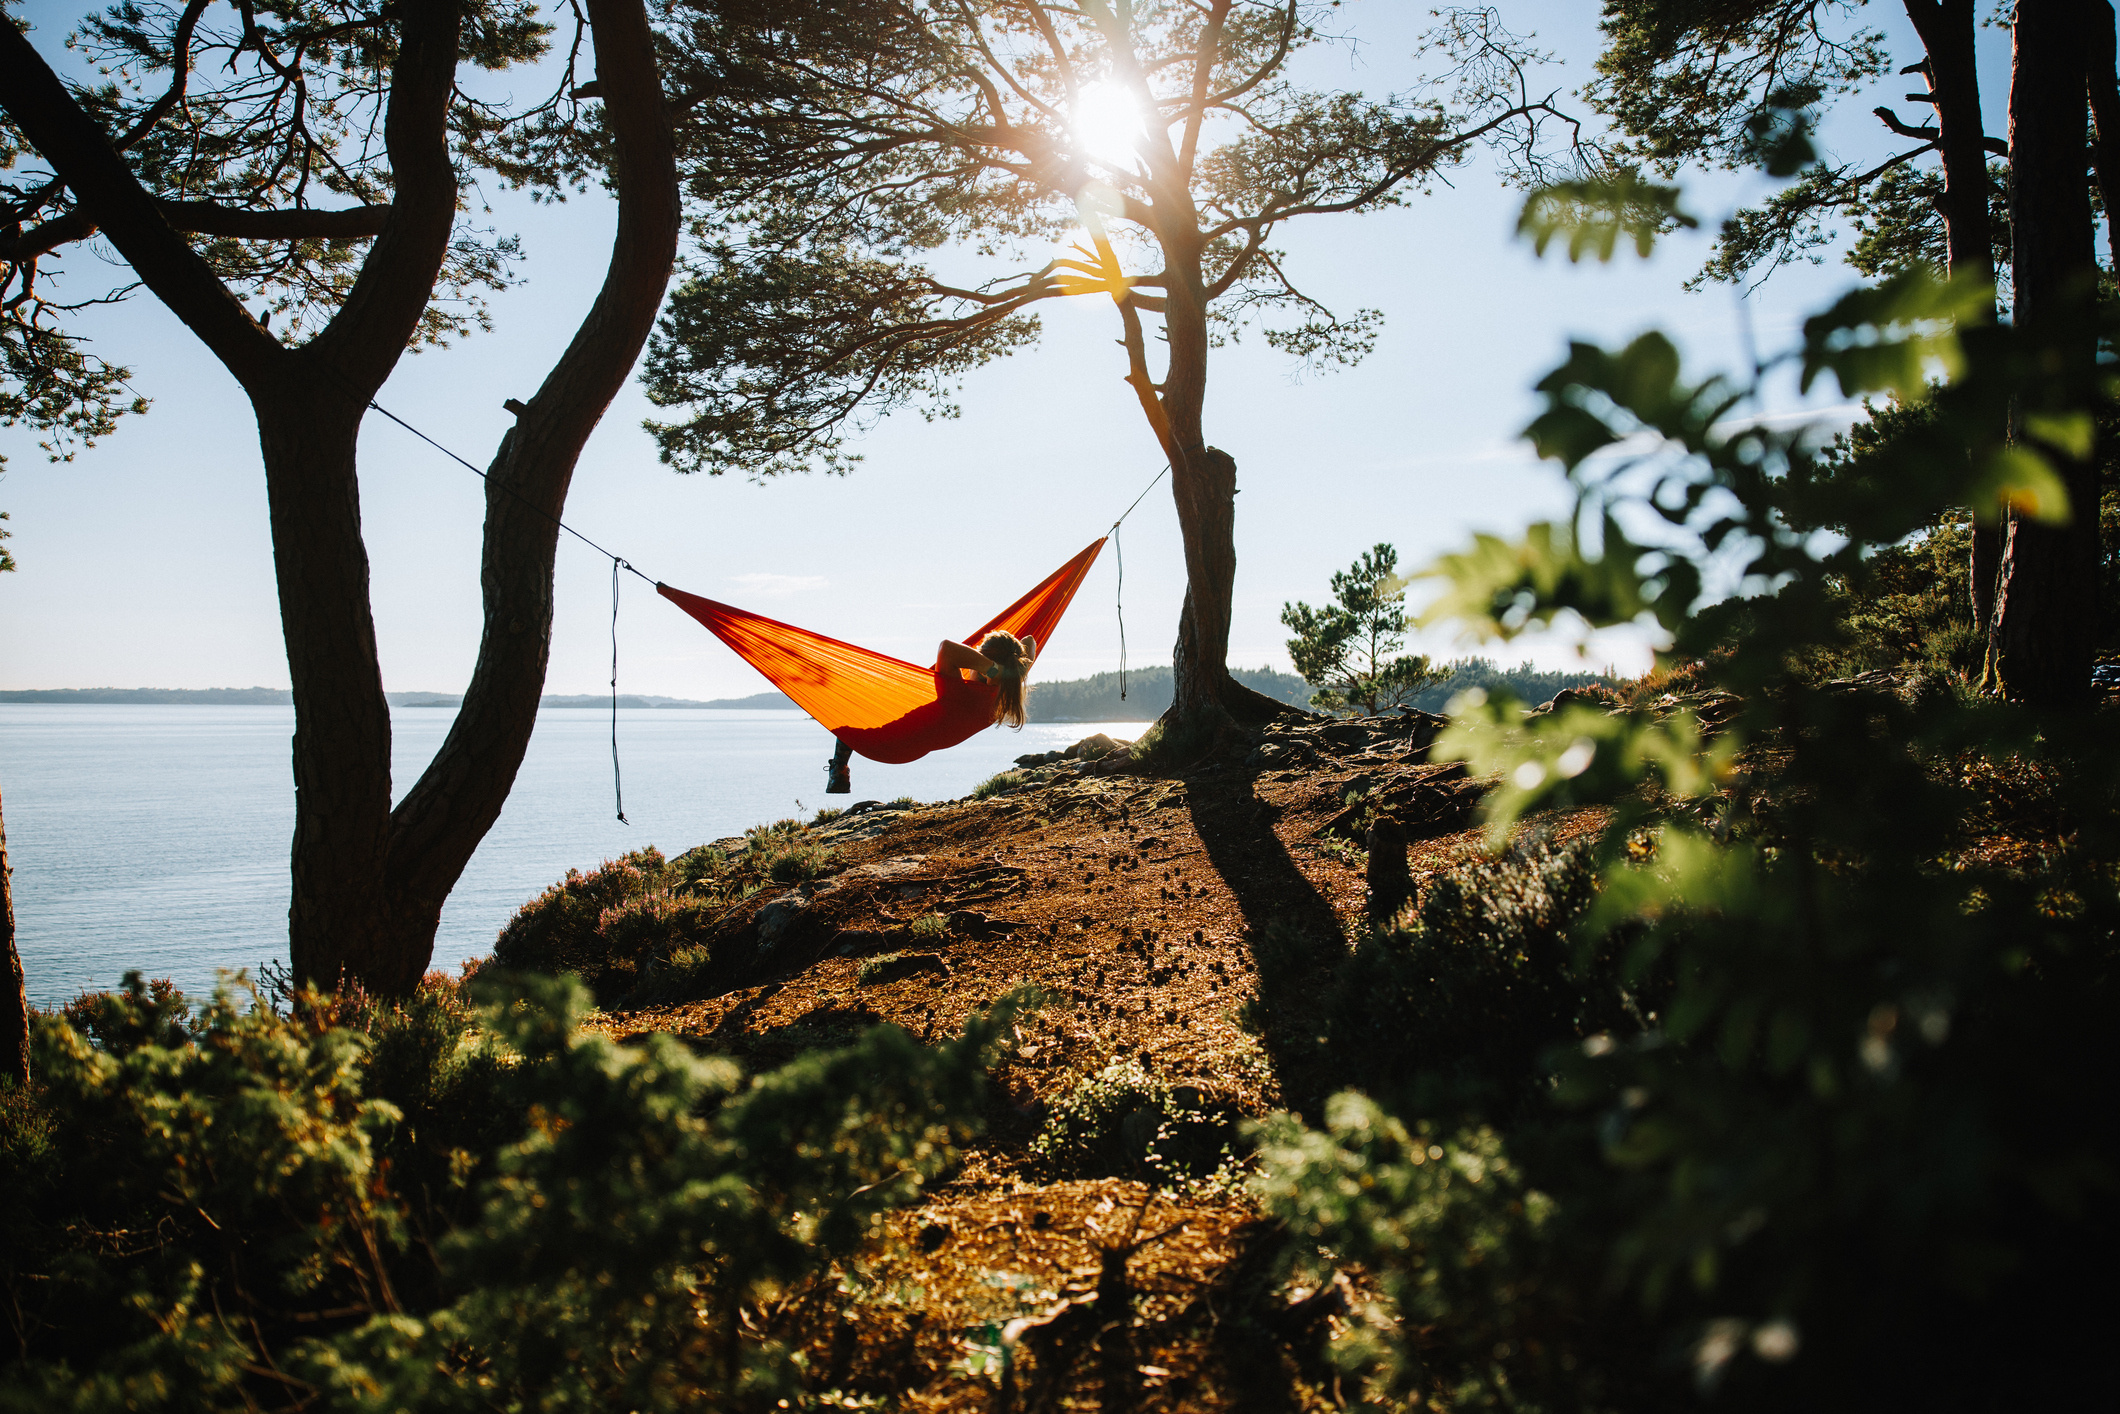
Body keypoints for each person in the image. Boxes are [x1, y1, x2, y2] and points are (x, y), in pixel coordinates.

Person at [825, 630, 1037, 793]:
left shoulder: (961, 694)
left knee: (848, 715)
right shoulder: (1006, 693)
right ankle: (839, 769)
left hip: (889, 744)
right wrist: (1003, 670)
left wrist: (992, 669)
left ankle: (839, 768)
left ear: (983, 665)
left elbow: (946, 648)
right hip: (911, 748)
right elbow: (1029, 640)